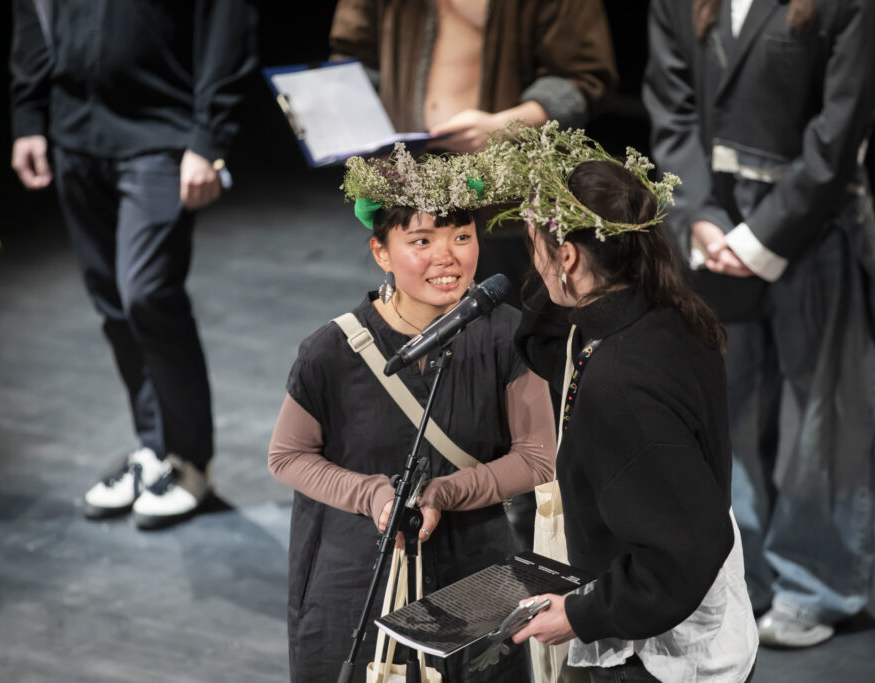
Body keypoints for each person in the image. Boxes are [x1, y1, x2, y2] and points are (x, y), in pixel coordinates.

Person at [643, 0, 875, 647]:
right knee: (726, 404)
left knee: (827, 409)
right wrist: (699, 216)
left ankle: (815, 583)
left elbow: (842, 124)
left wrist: (763, 236)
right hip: (714, 219)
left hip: (813, 218)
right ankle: (740, 570)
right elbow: (671, 108)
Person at [267, 144, 556, 682]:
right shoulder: (331, 350)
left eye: (462, 237)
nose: (447, 257)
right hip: (357, 576)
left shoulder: (508, 336)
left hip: (474, 573)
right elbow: (288, 456)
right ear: (381, 252)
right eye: (421, 241)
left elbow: (538, 458)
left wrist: (445, 493)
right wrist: (374, 495)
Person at [480, 123, 757, 682]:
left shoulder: (621, 386)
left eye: (537, 248)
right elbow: (545, 342)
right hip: (687, 618)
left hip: (662, 658)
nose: (532, 263)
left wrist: (580, 615)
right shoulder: (661, 309)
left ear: (568, 255)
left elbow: (691, 546)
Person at [9, 0, 258, 528]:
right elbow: (31, 9)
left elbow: (226, 18)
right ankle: (154, 447)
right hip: (74, 131)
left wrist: (209, 137)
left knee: (147, 293)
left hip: (160, 132)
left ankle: (189, 460)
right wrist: (28, 114)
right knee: (112, 302)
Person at [328, 0, 619, 303]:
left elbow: (582, 76)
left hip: (506, 190)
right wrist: (362, 132)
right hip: (409, 175)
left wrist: (503, 127)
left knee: (511, 313)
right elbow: (354, 57)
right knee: (420, 313)